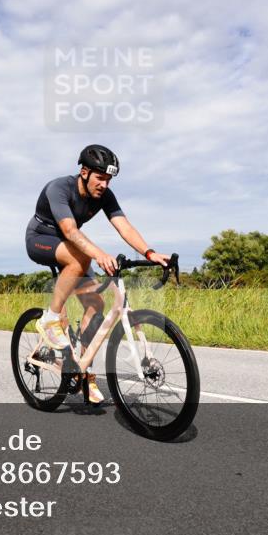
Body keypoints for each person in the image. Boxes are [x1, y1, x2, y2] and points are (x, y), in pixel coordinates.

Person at [25, 144, 171, 403]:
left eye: (109, 179)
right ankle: (50, 319)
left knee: (96, 304)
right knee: (81, 257)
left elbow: (124, 226)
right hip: (42, 238)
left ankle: (84, 371)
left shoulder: (105, 196)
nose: (104, 184)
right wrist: (100, 255)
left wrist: (149, 253)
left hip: (71, 247)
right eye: (100, 178)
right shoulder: (59, 188)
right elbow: (70, 231)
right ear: (84, 172)